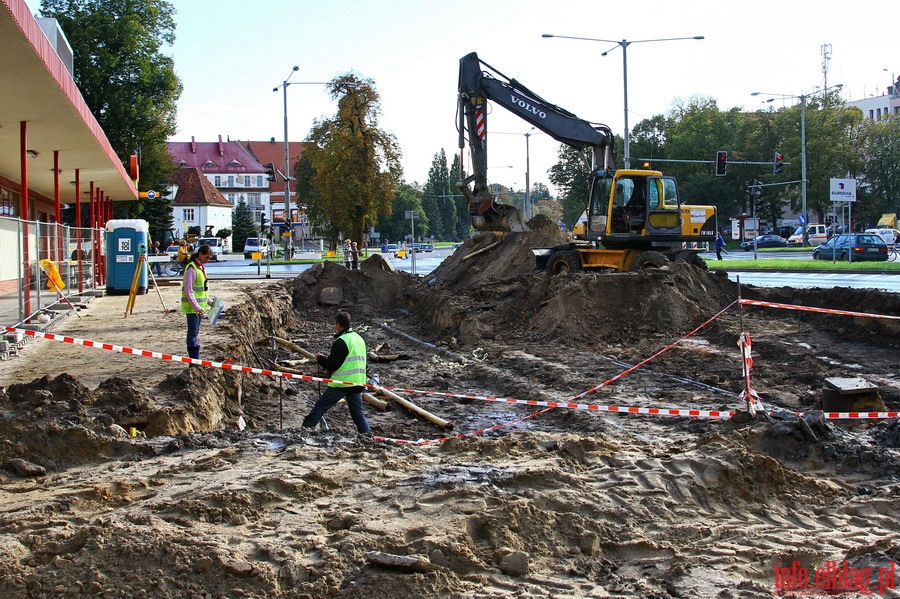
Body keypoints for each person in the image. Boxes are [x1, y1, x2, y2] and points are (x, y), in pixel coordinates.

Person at [302, 311, 370, 434]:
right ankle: (366, 435)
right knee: (357, 413)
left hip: (342, 383)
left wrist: (320, 358)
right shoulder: (359, 338)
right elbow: (364, 363)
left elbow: (332, 364)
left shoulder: (342, 341)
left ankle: (306, 428)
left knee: (321, 405)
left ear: (338, 325)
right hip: (358, 382)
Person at [181, 244, 213, 363]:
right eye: (207, 257)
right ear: (200, 254)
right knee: (192, 334)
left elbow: (201, 290)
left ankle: (195, 360)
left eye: (210, 257)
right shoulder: (192, 268)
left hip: (199, 308)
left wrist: (209, 301)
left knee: (195, 333)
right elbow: (189, 290)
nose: (208, 260)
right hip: (193, 308)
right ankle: (194, 361)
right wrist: (197, 307)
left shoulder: (200, 267)